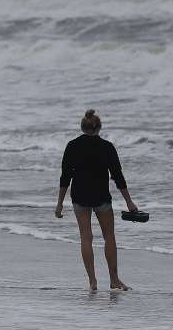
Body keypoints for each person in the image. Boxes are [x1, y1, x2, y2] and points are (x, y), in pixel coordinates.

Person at [55, 109, 139, 291]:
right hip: (101, 196)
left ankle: (92, 282)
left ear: (82, 127)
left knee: (86, 237)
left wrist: (59, 204)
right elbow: (118, 176)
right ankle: (114, 280)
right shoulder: (107, 147)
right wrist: (129, 202)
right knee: (109, 236)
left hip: (80, 196)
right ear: (99, 128)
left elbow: (65, 177)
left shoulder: (72, 146)